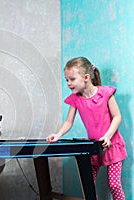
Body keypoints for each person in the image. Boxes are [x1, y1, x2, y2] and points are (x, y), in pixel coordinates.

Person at [46, 57, 127, 199]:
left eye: (72, 79)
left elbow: (117, 117)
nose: (69, 84)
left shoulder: (105, 93)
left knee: (114, 184)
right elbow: (68, 122)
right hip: (93, 147)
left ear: (86, 77)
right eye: (67, 80)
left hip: (112, 145)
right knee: (88, 184)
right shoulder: (75, 99)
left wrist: (108, 135)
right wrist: (58, 135)